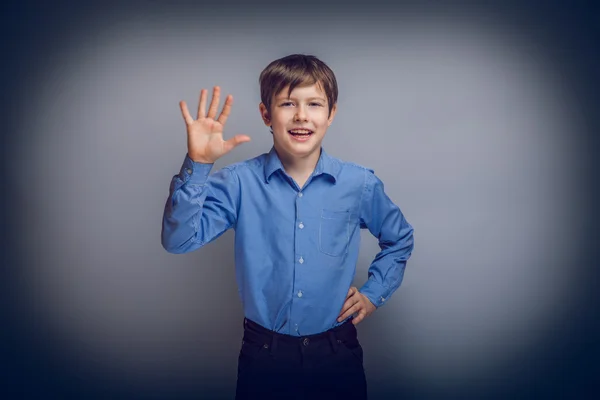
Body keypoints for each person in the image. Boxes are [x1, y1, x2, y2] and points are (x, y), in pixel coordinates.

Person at [161, 54, 414, 399]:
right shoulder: (238, 183)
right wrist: (199, 165)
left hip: (336, 353)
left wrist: (373, 294)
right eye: (287, 103)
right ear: (266, 114)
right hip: (264, 355)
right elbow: (178, 239)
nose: (301, 115)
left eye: (314, 104)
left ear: (331, 114)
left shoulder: (358, 184)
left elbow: (399, 239)